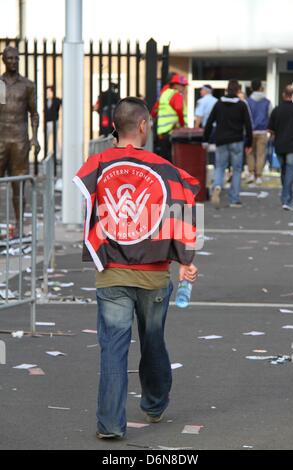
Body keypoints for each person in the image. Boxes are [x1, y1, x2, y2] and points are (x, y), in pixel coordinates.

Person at [73, 97, 199, 440]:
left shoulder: (98, 163)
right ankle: (155, 403)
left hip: (111, 270)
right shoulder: (164, 168)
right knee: (153, 340)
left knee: (113, 347)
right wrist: (187, 260)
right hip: (155, 274)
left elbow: (88, 199)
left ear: (117, 126)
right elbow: (183, 209)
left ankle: (111, 425)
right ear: (143, 126)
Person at [0, 46, 40, 233]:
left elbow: (34, 113)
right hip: (1, 139)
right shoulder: (0, 84)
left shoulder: (27, 85)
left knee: (19, 186)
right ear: (4, 60)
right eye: (10, 59)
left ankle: (19, 225)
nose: (14, 62)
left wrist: (35, 138)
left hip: (20, 140)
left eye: (16, 58)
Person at [204, 79, 253, 208]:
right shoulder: (242, 105)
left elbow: (209, 122)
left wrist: (205, 139)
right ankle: (234, 199)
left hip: (221, 141)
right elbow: (248, 125)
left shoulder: (219, 104)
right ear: (238, 91)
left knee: (220, 166)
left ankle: (217, 186)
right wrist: (249, 143)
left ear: (226, 90)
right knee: (236, 170)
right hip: (237, 140)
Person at [268, 84, 293, 211]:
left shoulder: (277, 110)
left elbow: (271, 130)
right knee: (290, 172)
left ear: (283, 95)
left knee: (284, 171)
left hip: (280, 145)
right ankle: (287, 199)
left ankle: (285, 198)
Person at [156, 74, 188, 162]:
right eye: (183, 85)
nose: (184, 88)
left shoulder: (164, 94)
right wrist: (182, 125)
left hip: (162, 132)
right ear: (175, 85)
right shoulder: (176, 95)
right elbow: (178, 108)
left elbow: (155, 109)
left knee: (164, 159)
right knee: (172, 160)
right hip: (172, 131)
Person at [246, 79, 272, 185]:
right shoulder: (267, 102)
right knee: (261, 154)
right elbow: (271, 116)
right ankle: (259, 176)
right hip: (262, 131)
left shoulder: (247, 101)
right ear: (261, 88)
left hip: (250, 131)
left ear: (251, 88)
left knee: (250, 153)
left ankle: (251, 173)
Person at [45, 86, 62, 159]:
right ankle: (47, 153)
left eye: (49, 91)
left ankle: (58, 154)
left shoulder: (56, 100)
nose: (47, 93)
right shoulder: (46, 100)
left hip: (55, 121)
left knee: (55, 138)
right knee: (47, 138)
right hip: (48, 122)